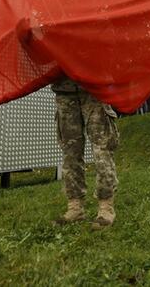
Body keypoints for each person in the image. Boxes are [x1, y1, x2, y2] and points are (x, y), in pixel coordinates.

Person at [51, 74, 119, 228]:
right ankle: (75, 208)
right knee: (70, 153)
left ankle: (106, 207)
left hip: (94, 88)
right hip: (65, 90)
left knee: (102, 150)